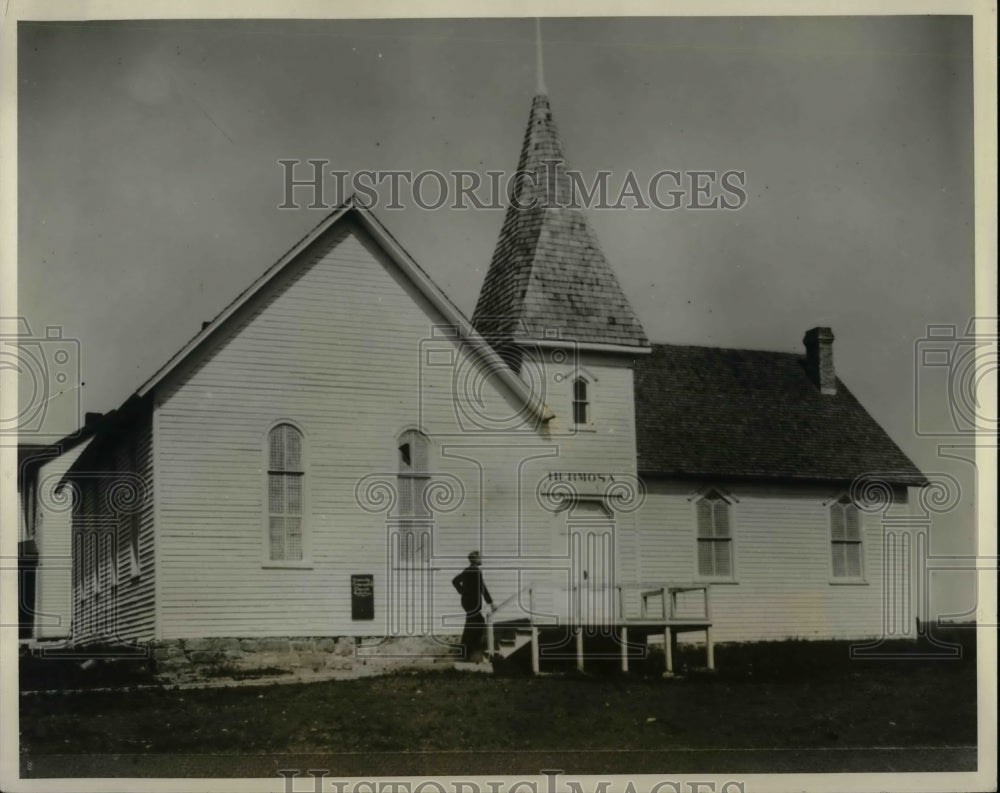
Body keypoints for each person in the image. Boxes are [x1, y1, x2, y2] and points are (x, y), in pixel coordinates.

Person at [452, 550, 496, 662]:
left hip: (467, 603)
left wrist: (462, 592)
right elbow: (482, 588)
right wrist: (491, 603)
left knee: (473, 625)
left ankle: (466, 652)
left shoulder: (467, 570)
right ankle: (470, 652)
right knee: (477, 624)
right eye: (480, 557)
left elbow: (455, 581)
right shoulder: (476, 571)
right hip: (472, 604)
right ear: (475, 560)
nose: (481, 559)